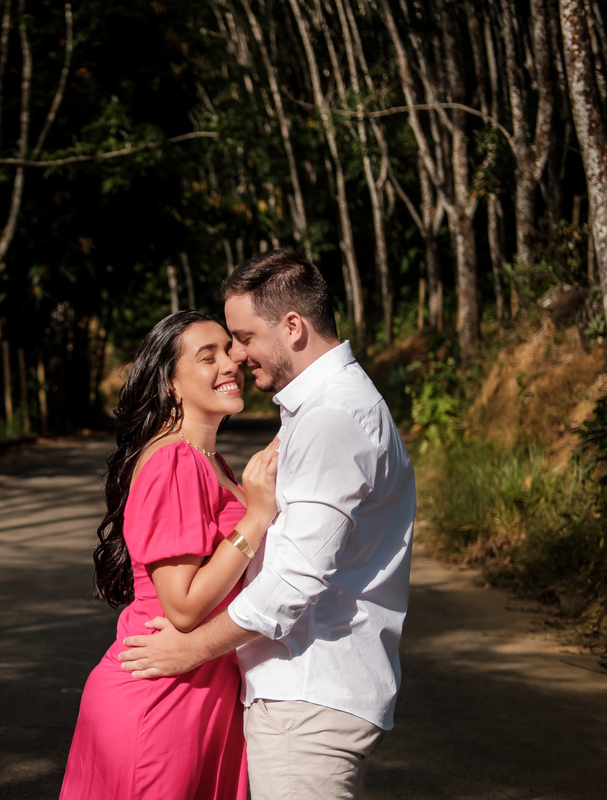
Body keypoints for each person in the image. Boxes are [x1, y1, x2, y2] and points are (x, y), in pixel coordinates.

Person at [119, 250, 416, 800]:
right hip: (275, 693)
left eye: (242, 337)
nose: (236, 355)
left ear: (293, 327)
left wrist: (192, 649)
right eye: (219, 347)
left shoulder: (330, 419)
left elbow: (294, 582)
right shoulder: (321, 412)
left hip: (305, 693)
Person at [60, 310, 280, 800]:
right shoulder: (175, 460)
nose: (231, 363)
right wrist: (256, 517)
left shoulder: (209, 462)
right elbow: (181, 606)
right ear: (171, 384)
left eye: (229, 349)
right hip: (162, 698)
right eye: (209, 357)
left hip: (199, 692)